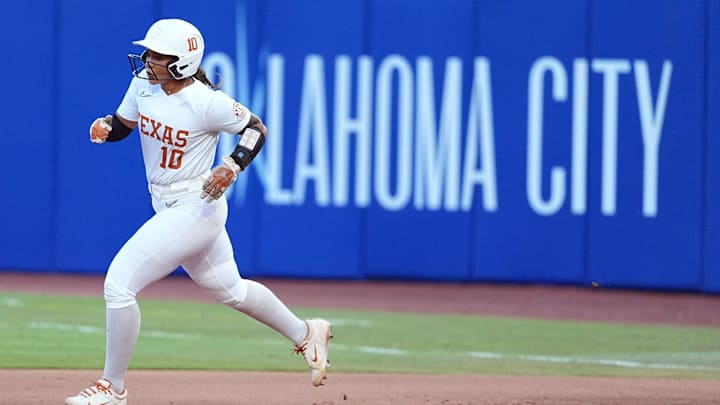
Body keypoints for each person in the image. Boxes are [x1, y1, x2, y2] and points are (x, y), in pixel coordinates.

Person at [65, 18, 332, 405]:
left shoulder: (206, 102)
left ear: (182, 63)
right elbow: (125, 124)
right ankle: (307, 333)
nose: (147, 60)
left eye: (158, 55)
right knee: (232, 290)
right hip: (169, 204)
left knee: (119, 285)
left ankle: (113, 388)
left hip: (196, 205)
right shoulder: (143, 84)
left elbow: (257, 128)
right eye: (149, 52)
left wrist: (233, 165)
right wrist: (108, 126)